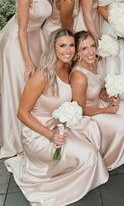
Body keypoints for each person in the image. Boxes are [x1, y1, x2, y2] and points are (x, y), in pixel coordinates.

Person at [4, 29, 109, 206]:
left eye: (71, 46)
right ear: (53, 48)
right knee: (90, 156)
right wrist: (50, 135)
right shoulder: (42, 75)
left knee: (92, 130)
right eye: (62, 46)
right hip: (39, 135)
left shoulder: (67, 68)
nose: (67, 50)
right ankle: (57, 186)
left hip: (59, 127)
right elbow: (22, 113)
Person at [0, 0, 61, 158]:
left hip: (36, 38)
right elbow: (21, 29)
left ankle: (32, 131)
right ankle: (14, 138)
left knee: (34, 88)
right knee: (19, 84)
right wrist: (27, 62)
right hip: (18, 41)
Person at [70, 31, 124, 170]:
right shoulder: (79, 76)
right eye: (84, 48)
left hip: (99, 102)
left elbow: (98, 87)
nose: (90, 52)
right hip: (89, 114)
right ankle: (111, 158)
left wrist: (106, 95)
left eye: (92, 46)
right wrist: (107, 110)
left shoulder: (96, 62)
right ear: (77, 52)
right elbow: (79, 110)